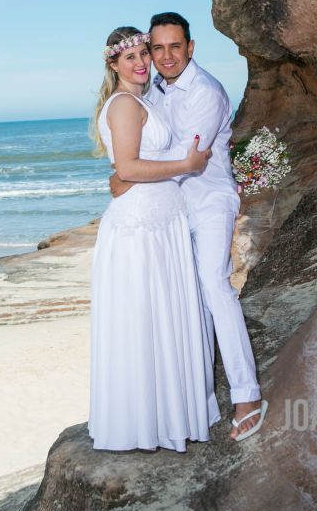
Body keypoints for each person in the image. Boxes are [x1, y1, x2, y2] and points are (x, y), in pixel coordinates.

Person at [109, 12, 268, 442]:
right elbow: (140, 145)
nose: (164, 56)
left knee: (215, 287)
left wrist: (127, 175)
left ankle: (247, 395)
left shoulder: (208, 92)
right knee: (185, 303)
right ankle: (199, 406)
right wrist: (127, 170)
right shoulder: (153, 91)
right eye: (156, 48)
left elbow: (186, 156)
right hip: (170, 207)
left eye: (173, 46)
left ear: (190, 47)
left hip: (210, 200)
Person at [88, 26, 221, 452]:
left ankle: (167, 414)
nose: (142, 62)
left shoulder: (143, 100)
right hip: (143, 228)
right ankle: (150, 422)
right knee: (147, 321)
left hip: (162, 221)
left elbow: (128, 168)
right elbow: (127, 168)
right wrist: (186, 163)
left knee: (161, 319)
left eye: (144, 53)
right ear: (113, 64)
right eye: (130, 57)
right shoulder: (125, 103)